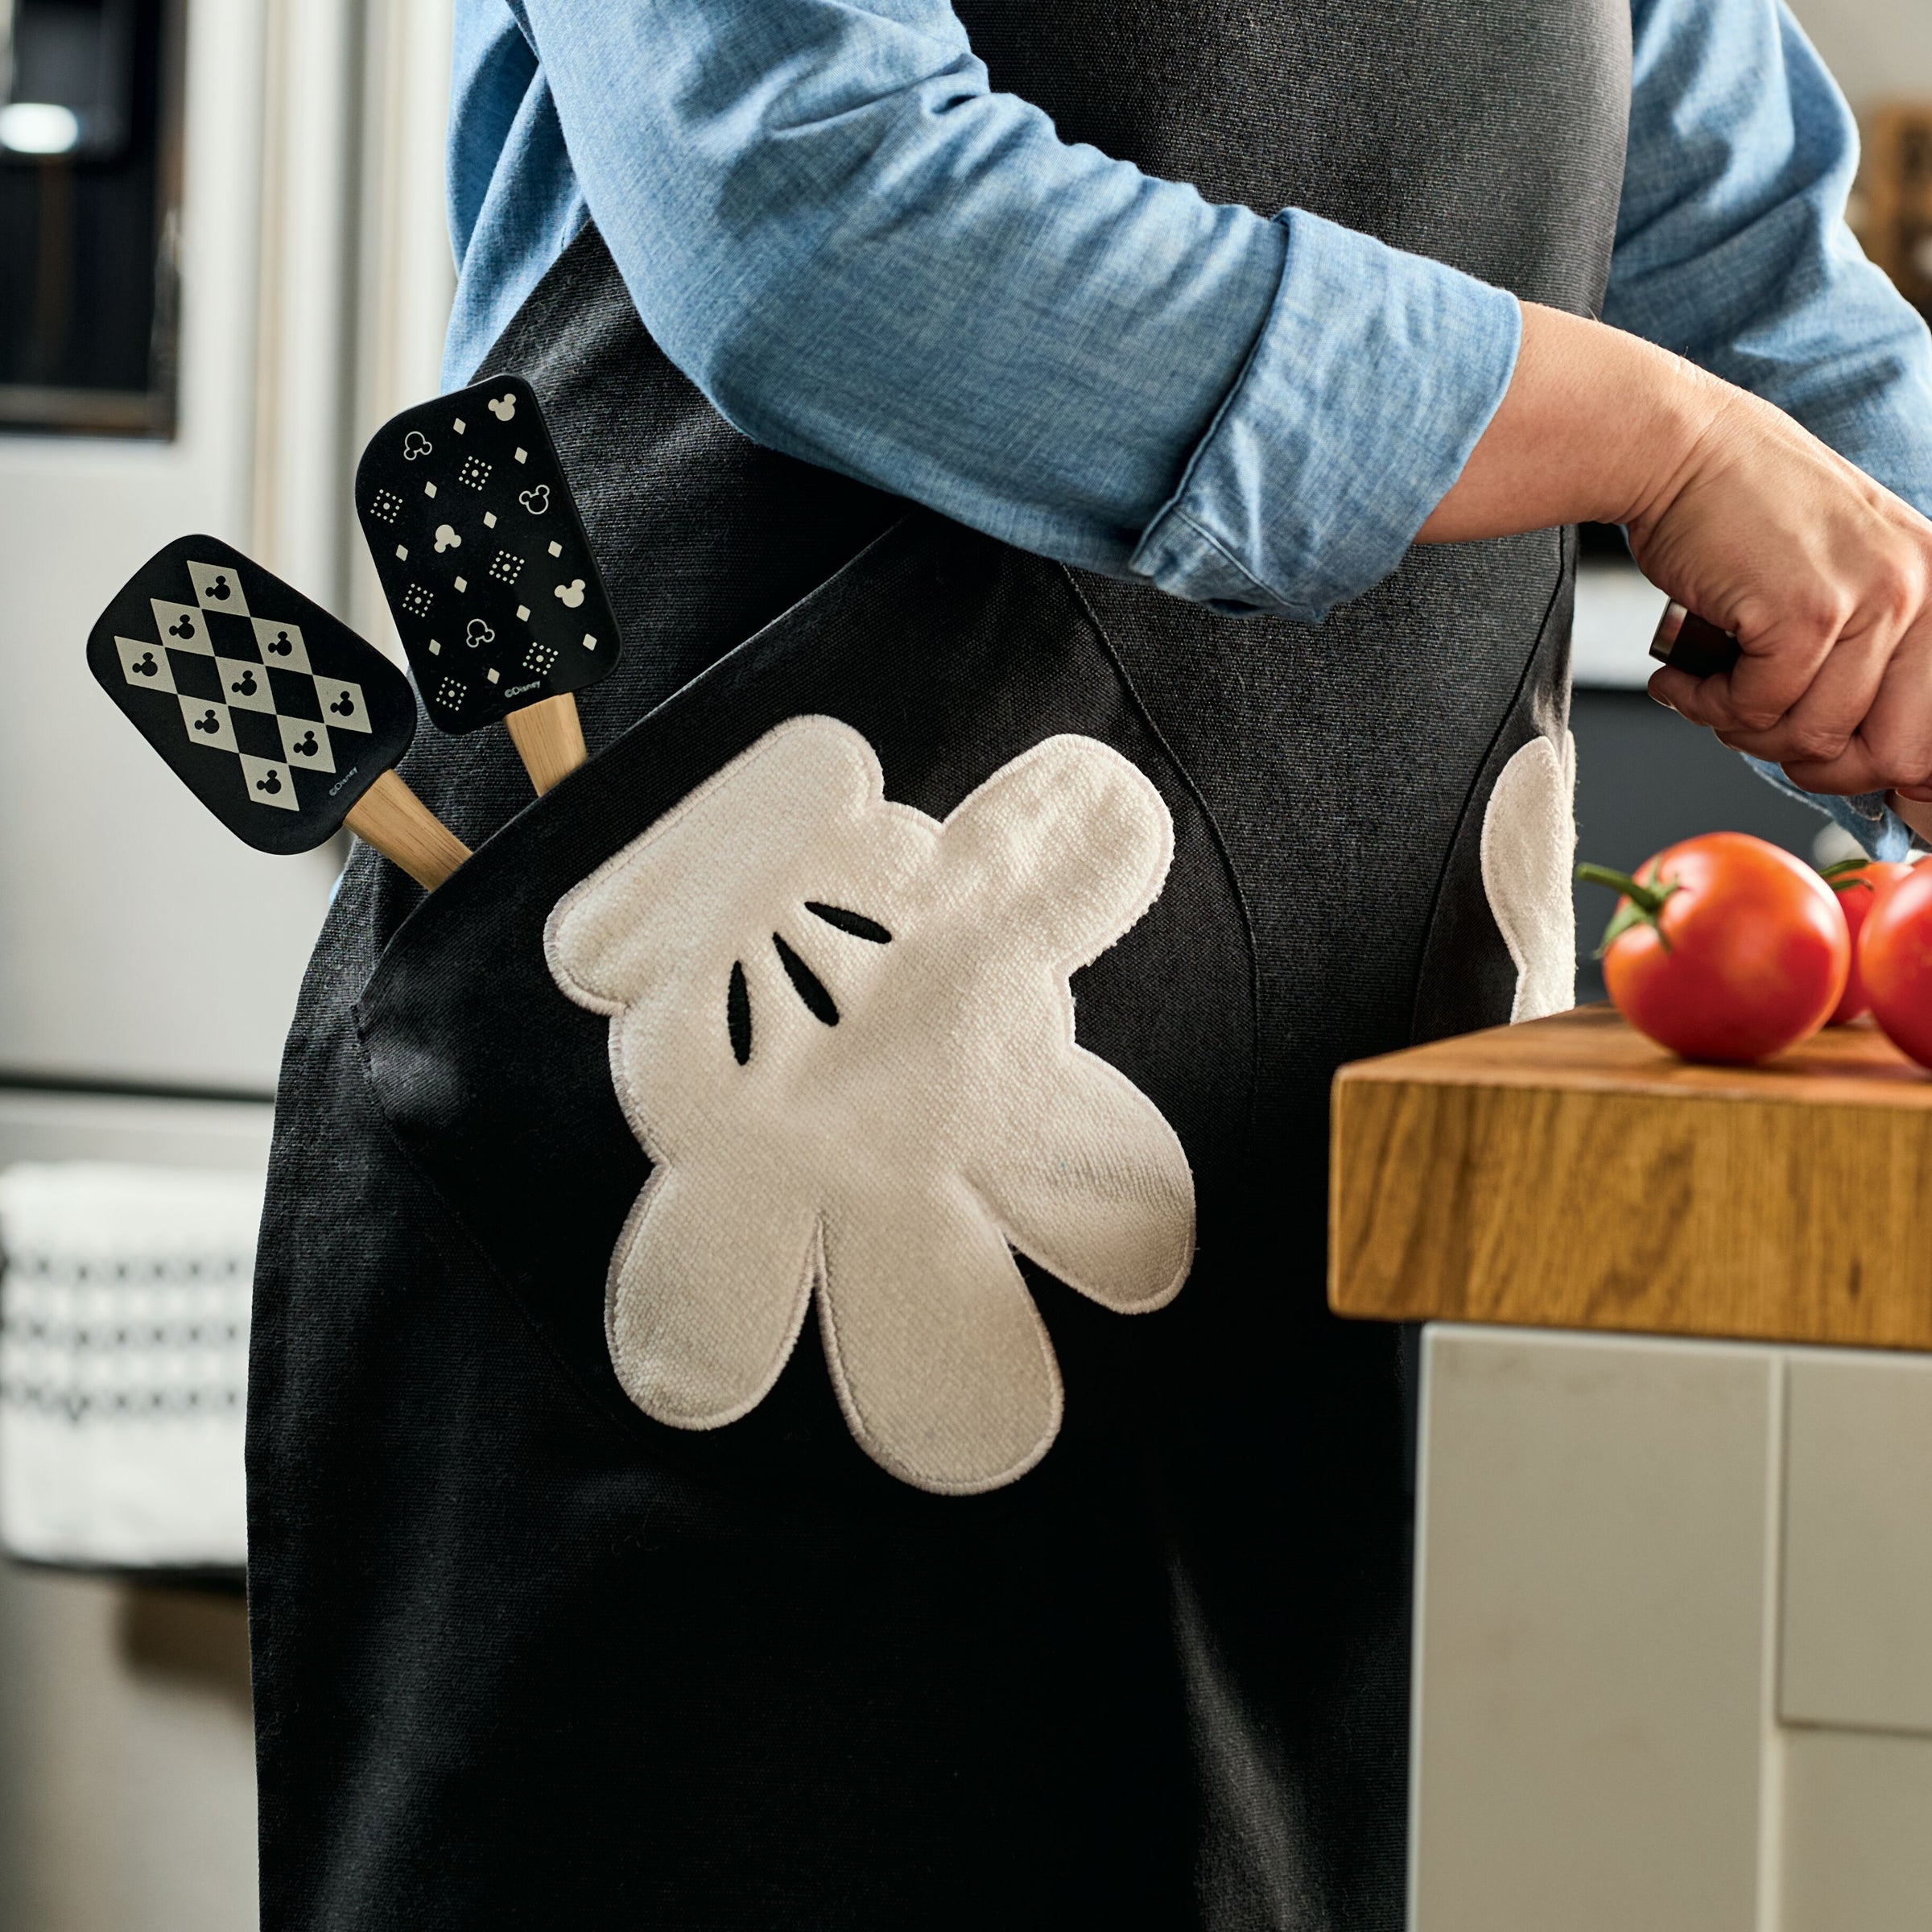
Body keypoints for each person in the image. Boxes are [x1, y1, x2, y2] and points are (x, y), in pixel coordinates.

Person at [247, 1, 1932, 1927]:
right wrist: (1653, 434)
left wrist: (1898, 592)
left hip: (1328, 1162)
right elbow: (807, 208)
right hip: (717, 1116)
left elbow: (1742, 257)